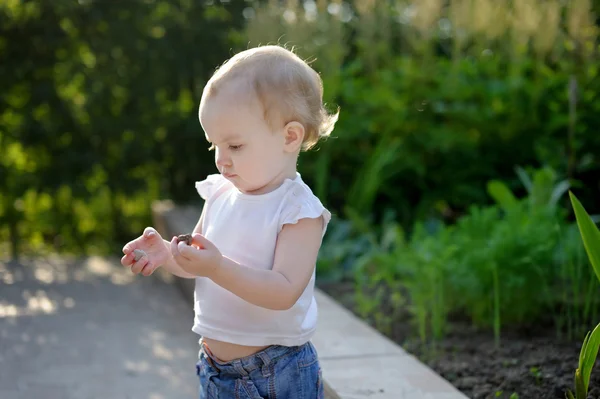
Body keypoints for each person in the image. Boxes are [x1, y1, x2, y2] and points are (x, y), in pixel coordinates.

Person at [120, 45, 339, 399]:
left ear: (290, 136)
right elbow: (198, 261)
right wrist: (167, 254)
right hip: (215, 370)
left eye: (235, 146)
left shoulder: (297, 211)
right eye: (214, 146)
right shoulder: (220, 193)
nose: (222, 160)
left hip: (275, 372)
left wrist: (218, 267)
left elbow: (284, 291)